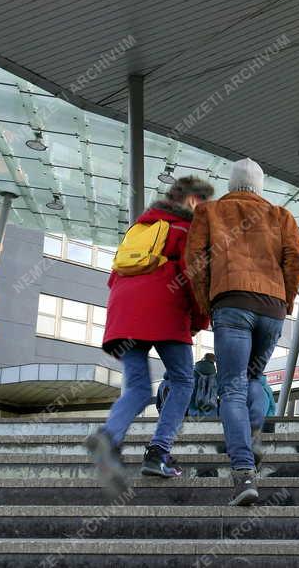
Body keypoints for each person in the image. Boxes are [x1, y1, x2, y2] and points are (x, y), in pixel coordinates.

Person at [186, 158, 299, 506]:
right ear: (260, 187)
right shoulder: (280, 215)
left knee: (232, 387)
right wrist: (285, 298)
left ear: (231, 183)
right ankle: (251, 436)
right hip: (271, 308)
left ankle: (243, 474)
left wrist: (208, 302)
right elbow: (297, 257)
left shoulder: (208, 212)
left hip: (232, 304)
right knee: (253, 377)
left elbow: (194, 261)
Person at [84, 176, 213, 492]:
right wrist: (198, 320)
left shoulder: (139, 229)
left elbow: (115, 276)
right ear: (194, 201)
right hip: (163, 305)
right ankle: (158, 453)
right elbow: (193, 277)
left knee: (139, 388)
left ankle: (109, 436)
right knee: (183, 380)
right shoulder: (186, 230)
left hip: (123, 311)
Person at [189, 352, 219, 417]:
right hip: (212, 416)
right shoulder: (216, 376)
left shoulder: (192, 374)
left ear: (203, 359)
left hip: (192, 415)